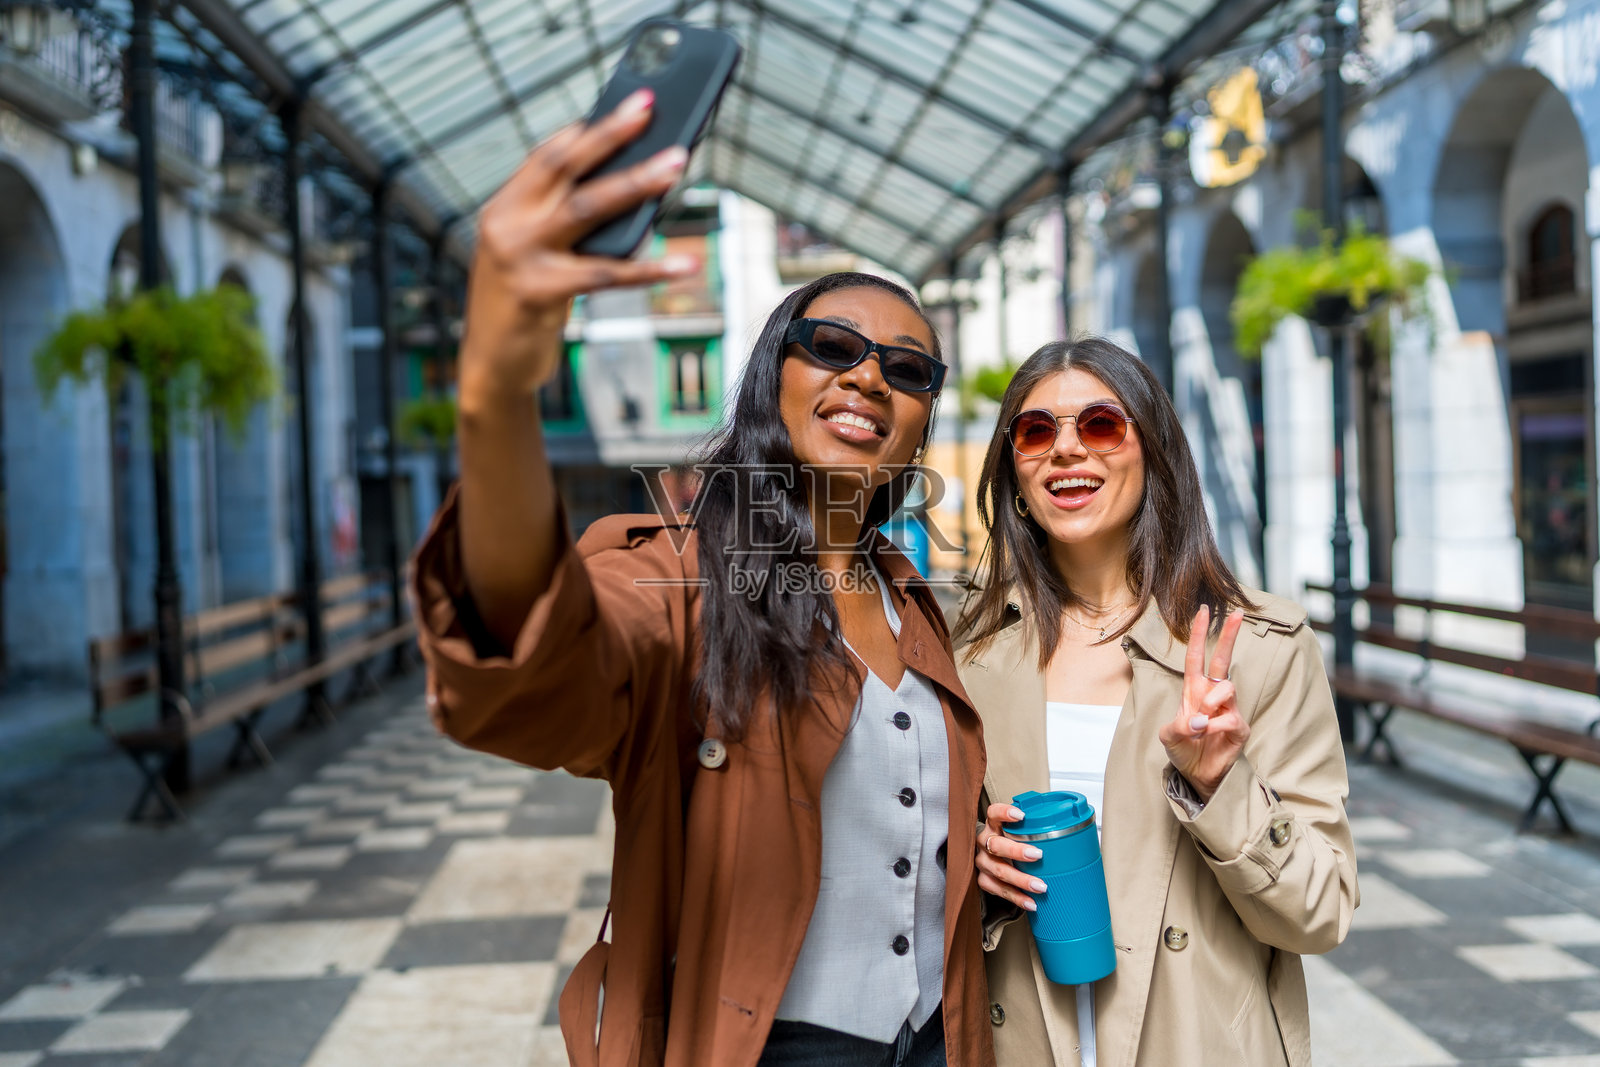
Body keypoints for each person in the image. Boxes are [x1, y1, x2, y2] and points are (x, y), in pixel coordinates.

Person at [409, 90, 995, 1067]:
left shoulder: (920, 601)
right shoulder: (682, 571)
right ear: (774, 375)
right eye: (834, 349)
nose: (867, 377)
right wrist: (496, 389)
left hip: (942, 1042)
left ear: (920, 423)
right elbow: (535, 649)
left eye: (906, 369)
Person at [952, 338, 1357, 1066]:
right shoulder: (967, 651)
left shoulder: (1257, 647)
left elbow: (1320, 911)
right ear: (1014, 467)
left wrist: (1220, 786)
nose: (1067, 450)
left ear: (1154, 453)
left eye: (1101, 425)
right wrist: (973, 873)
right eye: (1036, 431)